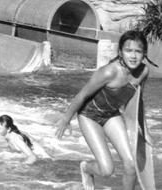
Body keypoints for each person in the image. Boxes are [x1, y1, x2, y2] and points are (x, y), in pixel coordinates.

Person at [54, 30, 151, 190]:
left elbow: (138, 100)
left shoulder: (143, 72)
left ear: (144, 53)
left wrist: (143, 129)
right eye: (128, 51)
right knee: (107, 170)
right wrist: (66, 119)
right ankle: (86, 168)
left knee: (131, 165)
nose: (133, 56)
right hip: (89, 116)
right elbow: (82, 95)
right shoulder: (109, 72)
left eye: (138, 51)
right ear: (120, 52)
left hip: (111, 115)